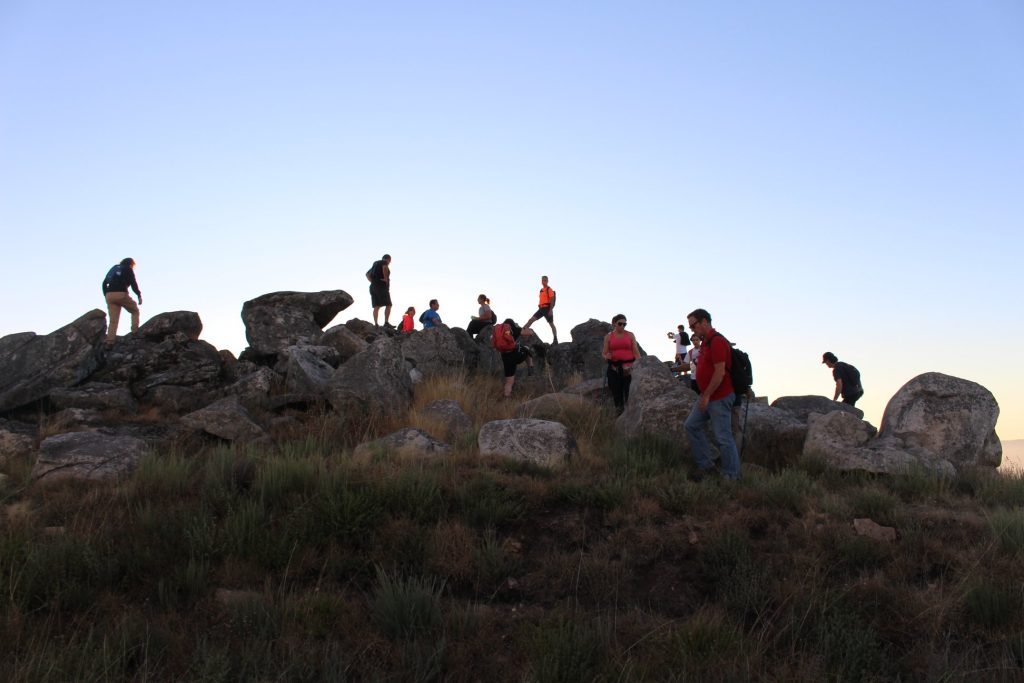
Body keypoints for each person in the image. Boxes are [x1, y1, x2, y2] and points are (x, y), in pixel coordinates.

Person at [683, 308, 741, 481]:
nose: (692, 330)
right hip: (708, 396)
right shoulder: (706, 343)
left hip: (719, 396)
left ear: (705, 322)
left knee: (723, 437)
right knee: (691, 425)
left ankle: (732, 476)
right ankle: (706, 466)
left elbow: (719, 372)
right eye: (690, 327)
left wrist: (706, 395)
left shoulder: (717, 341)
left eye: (694, 326)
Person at [603, 314, 642, 414]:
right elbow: (604, 352)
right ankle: (619, 414)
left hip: (629, 369)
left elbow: (635, 351)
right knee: (616, 393)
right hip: (614, 368)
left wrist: (640, 364)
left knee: (628, 392)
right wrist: (606, 356)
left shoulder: (630, 335)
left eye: (625, 324)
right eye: (620, 324)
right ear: (614, 324)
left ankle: (630, 414)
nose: (622, 326)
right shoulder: (608, 337)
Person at [102, 257, 142, 343]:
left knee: (113, 321)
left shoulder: (115, 268)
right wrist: (138, 294)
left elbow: (104, 283)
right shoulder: (128, 269)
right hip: (121, 294)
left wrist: (106, 295)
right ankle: (135, 333)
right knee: (135, 311)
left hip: (109, 295)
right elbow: (133, 283)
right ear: (131, 264)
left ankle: (109, 342)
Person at [494, 318, 535, 397]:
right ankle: (531, 366)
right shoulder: (514, 328)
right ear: (512, 324)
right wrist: (531, 331)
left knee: (509, 382)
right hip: (515, 355)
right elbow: (527, 333)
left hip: (505, 357)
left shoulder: (500, 332)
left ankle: (506, 397)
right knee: (527, 348)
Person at [524, 275, 558, 344]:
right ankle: (522, 331)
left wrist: (550, 310)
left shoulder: (549, 289)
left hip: (547, 308)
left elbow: (551, 299)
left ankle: (555, 339)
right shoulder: (541, 290)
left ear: (547, 281)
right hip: (541, 309)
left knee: (551, 324)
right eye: (542, 280)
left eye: (545, 280)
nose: (543, 281)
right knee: (531, 320)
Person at [366, 254, 392, 328]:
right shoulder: (384, 262)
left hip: (373, 287)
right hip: (381, 286)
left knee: (376, 306)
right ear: (388, 259)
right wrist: (386, 279)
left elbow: (367, 274)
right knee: (388, 304)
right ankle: (386, 322)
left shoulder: (375, 264)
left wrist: (373, 281)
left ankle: (376, 324)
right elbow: (384, 268)